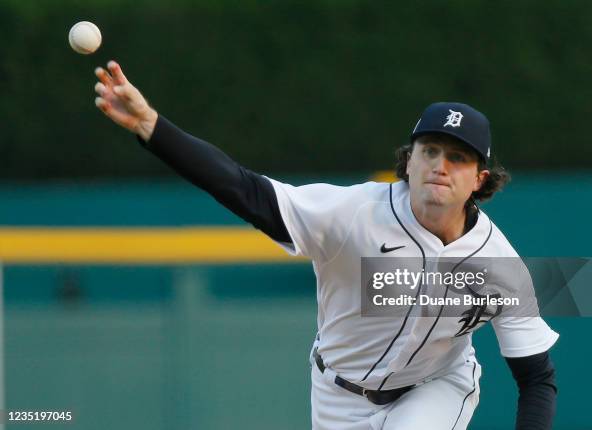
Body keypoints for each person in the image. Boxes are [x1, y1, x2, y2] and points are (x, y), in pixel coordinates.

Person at [94, 60, 558, 430]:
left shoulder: (497, 264)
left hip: (436, 387)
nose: (440, 164)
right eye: (430, 151)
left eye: (457, 157)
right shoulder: (352, 214)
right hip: (337, 394)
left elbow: (536, 379)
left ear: (479, 180)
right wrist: (153, 127)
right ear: (409, 162)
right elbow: (243, 189)